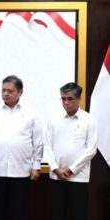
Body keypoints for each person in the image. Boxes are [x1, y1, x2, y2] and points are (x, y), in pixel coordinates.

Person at [0, 75, 43, 220]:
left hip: (21, 170)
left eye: (10, 91)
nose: (5, 94)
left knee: (20, 210)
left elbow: (37, 141)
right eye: (3, 90)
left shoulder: (31, 113)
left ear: (20, 92)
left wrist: (36, 166)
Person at [44, 82, 98, 220]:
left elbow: (91, 150)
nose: (66, 102)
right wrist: (56, 168)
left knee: (79, 214)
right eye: (63, 99)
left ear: (79, 99)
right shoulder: (53, 120)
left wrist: (71, 169)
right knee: (57, 214)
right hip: (57, 177)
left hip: (78, 178)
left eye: (70, 99)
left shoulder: (89, 120)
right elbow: (47, 146)